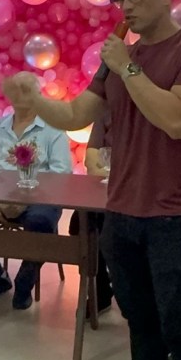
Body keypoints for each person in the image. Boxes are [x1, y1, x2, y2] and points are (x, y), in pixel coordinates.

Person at [4, 0, 181, 360]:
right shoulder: (120, 58)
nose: (127, 6)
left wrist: (127, 67)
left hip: (174, 217)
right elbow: (75, 114)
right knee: (139, 323)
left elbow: (178, 120)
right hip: (121, 215)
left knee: (179, 327)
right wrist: (33, 100)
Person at [0, 74, 72, 311]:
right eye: (15, 89)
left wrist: (25, 200)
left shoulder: (53, 129)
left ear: (38, 93)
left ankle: (25, 283)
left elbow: (61, 174)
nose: (20, 95)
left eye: (26, 89)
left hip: (39, 199)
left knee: (41, 222)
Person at [69, 110, 114, 316]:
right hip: (109, 191)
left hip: (145, 196)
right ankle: (100, 290)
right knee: (81, 222)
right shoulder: (107, 111)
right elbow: (92, 160)